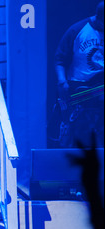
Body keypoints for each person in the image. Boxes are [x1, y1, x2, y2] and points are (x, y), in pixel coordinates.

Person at [54, 1, 104, 148]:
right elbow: (59, 59)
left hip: (101, 85)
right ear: (98, 18)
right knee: (77, 131)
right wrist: (62, 82)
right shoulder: (77, 30)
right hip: (79, 85)